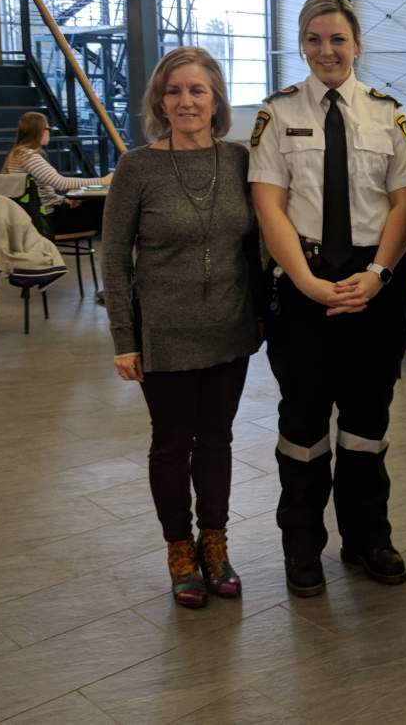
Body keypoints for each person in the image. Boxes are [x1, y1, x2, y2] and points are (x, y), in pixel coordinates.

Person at [249, 0, 406, 598]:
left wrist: (377, 273)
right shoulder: (276, 114)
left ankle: (367, 538)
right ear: (302, 44)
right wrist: (306, 281)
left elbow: (405, 203)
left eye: (338, 39)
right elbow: (268, 202)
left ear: (357, 45)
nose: (327, 50)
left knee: (367, 426)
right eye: (315, 39)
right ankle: (302, 547)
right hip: (304, 290)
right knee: (302, 428)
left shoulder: (387, 115)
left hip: (374, 292)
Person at [102, 46, 261, 609]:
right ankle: (179, 551)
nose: (186, 101)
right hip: (163, 334)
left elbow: (257, 245)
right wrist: (125, 339)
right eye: (174, 91)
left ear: (216, 98)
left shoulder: (240, 160)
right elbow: (115, 260)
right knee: (172, 444)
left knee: (217, 439)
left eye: (197, 90)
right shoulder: (137, 167)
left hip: (230, 329)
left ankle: (214, 545)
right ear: (159, 101)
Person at [3, 111, 112, 233]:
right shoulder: (28, 156)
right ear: (39, 131)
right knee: (106, 204)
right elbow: (60, 183)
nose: (49, 132)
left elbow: (41, 192)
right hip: (48, 219)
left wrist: (63, 200)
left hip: (43, 215)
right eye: (47, 128)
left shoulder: (18, 153)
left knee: (100, 204)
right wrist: (102, 180)